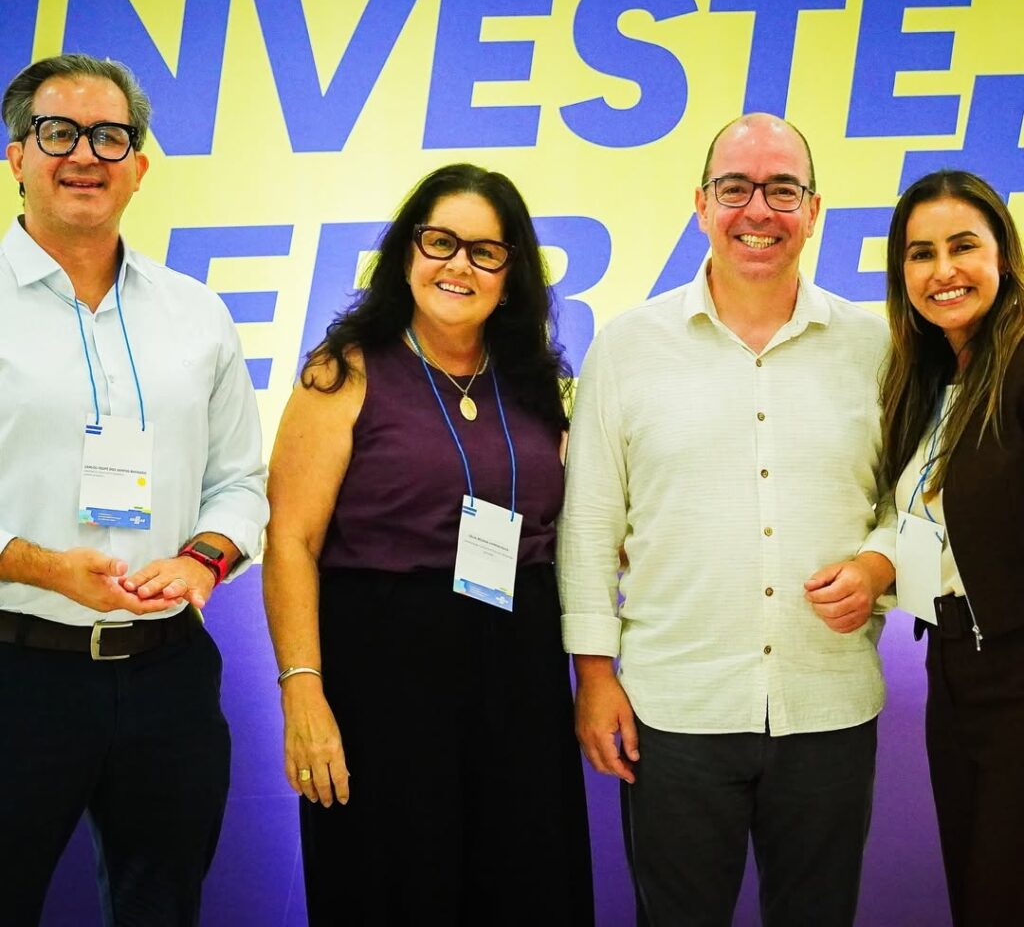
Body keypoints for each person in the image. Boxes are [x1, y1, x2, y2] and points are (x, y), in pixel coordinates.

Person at [558, 113, 896, 927]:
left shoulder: (876, 348)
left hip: (829, 705)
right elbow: (589, 523)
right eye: (735, 188)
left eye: (783, 190)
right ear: (701, 204)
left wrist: (880, 562)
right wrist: (594, 676)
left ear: (814, 210)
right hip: (674, 710)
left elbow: (911, 500)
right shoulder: (626, 348)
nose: (758, 211)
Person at [262, 163, 593, 925]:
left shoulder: (535, 382)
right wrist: (302, 690)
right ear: (408, 251)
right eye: (440, 241)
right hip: (383, 680)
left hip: (521, 676)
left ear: (511, 274)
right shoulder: (344, 372)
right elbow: (290, 540)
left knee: (526, 888)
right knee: (393, 889)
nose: (458, 266)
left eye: (485, 252)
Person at [0, 53, 268, 925]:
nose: (86, 154)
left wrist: (201, 562)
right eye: (58, 133)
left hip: (168, 673)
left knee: (163, 907)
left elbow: (240, 482)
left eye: (110, 137)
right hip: (16, 670)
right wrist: (43, 567)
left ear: (140, 168)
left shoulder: (198, 314)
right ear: (17, 157)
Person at [881, 170, 1024, 927]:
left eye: (963, 246)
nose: (943, 271)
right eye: (921, 253)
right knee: (974, 891)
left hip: (1016, 669)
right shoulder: (935, 378)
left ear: (1004, 255)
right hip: (955, 663)